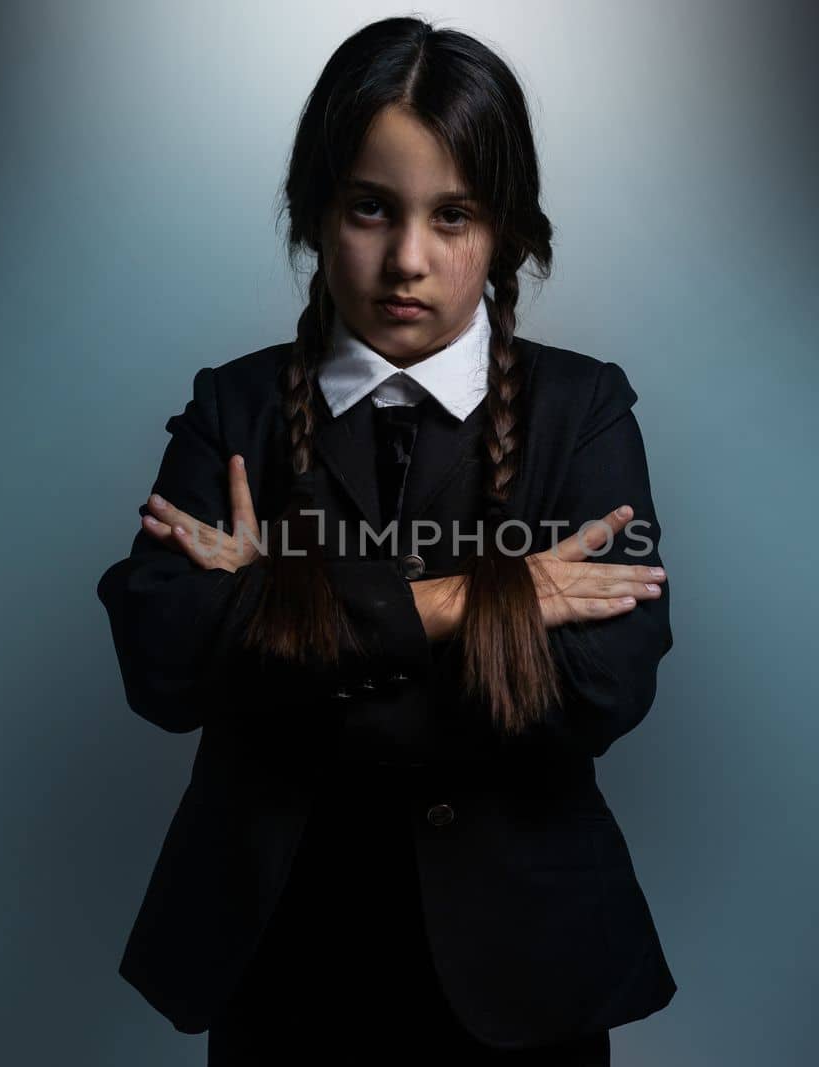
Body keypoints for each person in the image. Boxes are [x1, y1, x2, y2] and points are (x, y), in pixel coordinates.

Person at [95, 16, 675, 1066]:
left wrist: (278, 604)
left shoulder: (582, 409)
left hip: (521, 975)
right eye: (372, 207)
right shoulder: (236, 407)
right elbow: (164, 663)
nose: (408, 259)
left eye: (453, 215)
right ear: (318, 211)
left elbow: (604, 689)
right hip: (283, 962)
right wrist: (472, 605)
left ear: (506, 231)